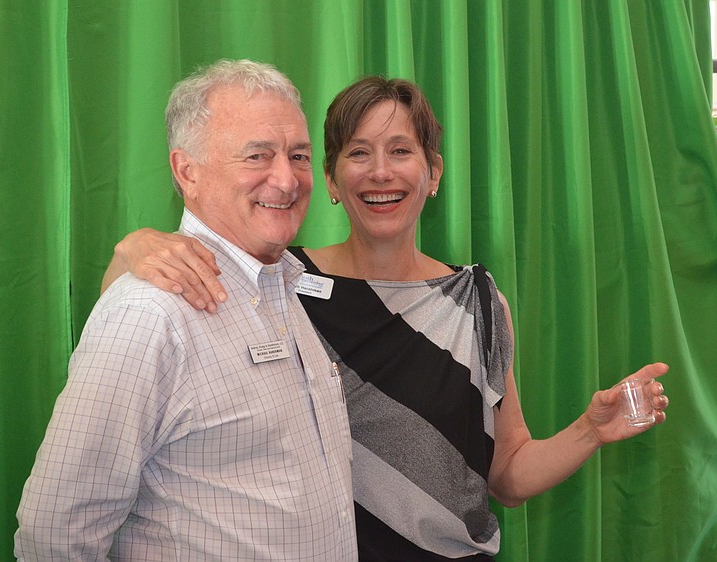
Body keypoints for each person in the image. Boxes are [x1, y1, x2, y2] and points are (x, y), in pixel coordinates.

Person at [102, 75, 670, 561]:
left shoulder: (477, 301)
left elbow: (508, 476)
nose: (380, 172)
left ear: (434, 172)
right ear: (328, 178)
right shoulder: (277, 283)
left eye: (401, 151)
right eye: (357, 152)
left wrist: (589, 432)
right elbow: (129, 321)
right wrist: (131, 249)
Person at [15, 60, 357, 561]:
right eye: (257, 156)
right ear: (187, 171)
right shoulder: (149, 315)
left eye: (299, 155)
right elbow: (55, 532)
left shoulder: (286, 287)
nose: (286, 180)